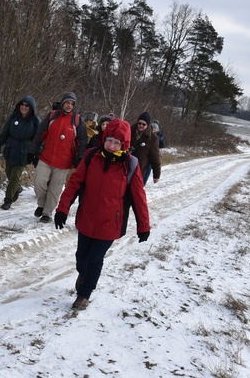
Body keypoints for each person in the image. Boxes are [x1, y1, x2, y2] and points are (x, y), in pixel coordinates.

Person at [54, 118, 151, 312]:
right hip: (87, 218)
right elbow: (74, 183)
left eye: (117, 142)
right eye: (109, 140)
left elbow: (139, 197)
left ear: (124, 144)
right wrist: (62, 209)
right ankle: (83, 274)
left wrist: (144, 226)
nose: (112, 145)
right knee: (82, 257)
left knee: (95, 259)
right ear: (104, 139)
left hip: (110, 224)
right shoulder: (92, 156)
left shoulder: (130, 165)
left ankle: (84, 295)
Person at [27, 92, 88, 223]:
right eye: (67, 102)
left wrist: (80, 157)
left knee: (55, 190)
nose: (69, 105)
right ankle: (42, 204)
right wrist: (32, 151)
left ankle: (47, 213)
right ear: (62, 103)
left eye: (72, 104)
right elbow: (40, 135)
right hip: (46, 158)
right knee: (39, 183)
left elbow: (82, 141)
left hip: (64, 163)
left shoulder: (77, 121)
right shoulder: (52, 116)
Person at [0, 95, 40, 210]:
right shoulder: (13, 117)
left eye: (26, 105)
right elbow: (5, 132)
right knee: (9, 174)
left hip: (24, 152)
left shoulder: (35, 121)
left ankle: (8, 200)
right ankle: (18, 189)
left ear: (31, 108)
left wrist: (35, 154)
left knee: (14, 177)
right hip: (11, 149)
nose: (24, 107)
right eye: (22, 104)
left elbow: (38, 139)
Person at [130, 111, 161, 185]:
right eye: (139, 123)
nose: (141, 125)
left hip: (139, 170)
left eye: (144, 124)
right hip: (125, 167)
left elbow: (155, 157)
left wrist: (156, 175)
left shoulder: (153, 138)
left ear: (148, 125)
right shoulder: (130, 131)